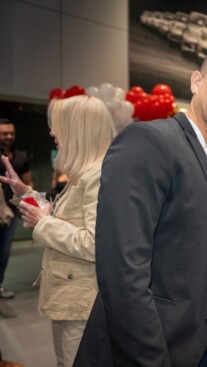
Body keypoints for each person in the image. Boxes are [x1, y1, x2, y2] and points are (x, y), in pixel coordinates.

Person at [74, 48, 207, 367]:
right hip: (152, 347)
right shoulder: (149, 142)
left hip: (203, 340)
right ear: (196, 81)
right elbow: (123, 270)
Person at [0, 95, 116, 366]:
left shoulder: (98, 175)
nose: (52, 132)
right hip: (71, 297)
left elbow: (94, 244)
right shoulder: (85, 173)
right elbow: (64, 218)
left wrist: (44, 223)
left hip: (82, 303)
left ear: (80, 129)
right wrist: (24, 193)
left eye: (59, 125)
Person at [0, 118, 32, 299]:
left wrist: (31, 205)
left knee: (4, 250)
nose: (9, 136)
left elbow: (28, 182)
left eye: (11, 133)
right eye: (4, 133)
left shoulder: (21, 156)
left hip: (10, 213)